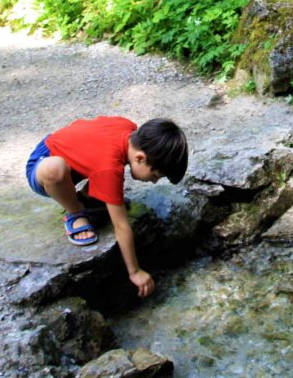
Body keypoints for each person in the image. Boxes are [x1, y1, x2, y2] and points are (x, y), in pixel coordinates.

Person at [25, 116, 188, 297]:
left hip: (70, 156)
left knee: (104, 174)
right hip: (43, 163)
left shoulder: (130, 131)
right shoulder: (109, 168)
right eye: (156, 175)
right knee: (54, 170)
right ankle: (75, 212)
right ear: (140, 158)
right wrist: (134, 271)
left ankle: (92, 197)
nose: (154, 181)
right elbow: (121, 226)